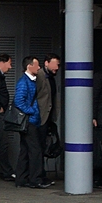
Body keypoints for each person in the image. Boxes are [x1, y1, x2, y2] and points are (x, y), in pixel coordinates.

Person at [14, 55, 49, 189]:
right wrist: (32, 111)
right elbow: (19, 101)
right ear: (29, 66)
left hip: (30, 120)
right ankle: (35, 179)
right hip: (30, 121)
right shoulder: (25, 82)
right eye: (37, 65)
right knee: (35, 150)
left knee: (25, 150)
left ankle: (21, 179)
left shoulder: (29, 81)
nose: (39, 67)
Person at [34, 53, 59, 186]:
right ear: (46, 63)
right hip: (40, 117)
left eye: (58, 65)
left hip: (48, 117)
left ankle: (41, 175)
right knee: (37, 148)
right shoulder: (40, 76)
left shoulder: (51, 78)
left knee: (43, 146)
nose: (57, 68)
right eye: (55, 64)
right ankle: (37, 176)